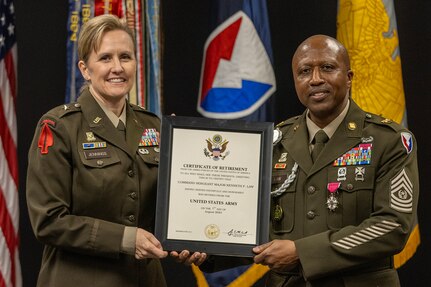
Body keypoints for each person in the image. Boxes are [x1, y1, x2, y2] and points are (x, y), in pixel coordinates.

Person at [26, 14, 205, 287]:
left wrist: (189, 237)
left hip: (145, 279)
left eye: (126, 57)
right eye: (106, 58)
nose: (118, 67)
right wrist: (125, 239)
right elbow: (49, 221)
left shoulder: (154, 126)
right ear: (85, 69)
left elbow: (169, 210)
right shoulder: (59, 126)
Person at [252, 35, 419, 286]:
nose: (315, 79)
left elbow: (393, 227)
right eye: (304, 71)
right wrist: (206, 247)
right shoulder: (275, 142)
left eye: (327, 68)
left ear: (349, 77)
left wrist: (303, 253)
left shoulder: (389, 140)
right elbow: (250, 222)